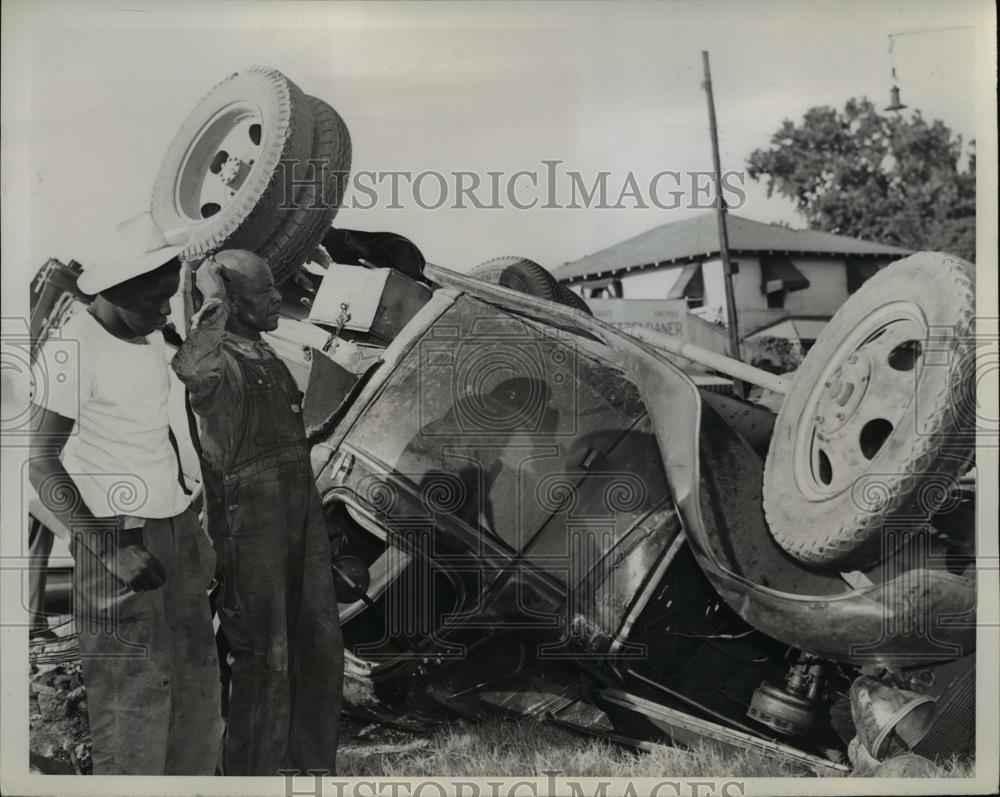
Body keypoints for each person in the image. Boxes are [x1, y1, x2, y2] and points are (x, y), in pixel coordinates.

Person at [29, 213, 223, 775]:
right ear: (110, 293)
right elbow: (39, 462)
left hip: (174, 528)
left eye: (168, 299)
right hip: (116, 535)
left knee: (195, 687)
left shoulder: (146, 333)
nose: (165, 313)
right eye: (153, 303)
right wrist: (109, 548)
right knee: (132, 699)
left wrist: (189, 525)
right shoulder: (73, 350)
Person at [172, 249, 343, 776]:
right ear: (236, 303)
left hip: (299, 512)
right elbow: (189, 364)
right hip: (251, 526)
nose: (278, 298)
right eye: (265, 292)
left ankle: (313, 773)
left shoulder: (266, 352)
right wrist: (212, 295)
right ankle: (254, 780)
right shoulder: (215, 361)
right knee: (265, 659)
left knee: (319, 645)